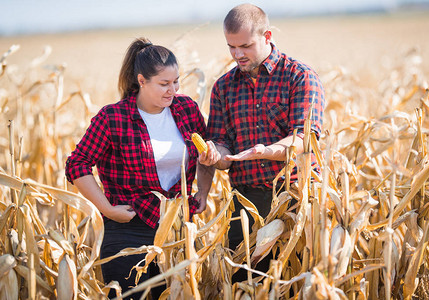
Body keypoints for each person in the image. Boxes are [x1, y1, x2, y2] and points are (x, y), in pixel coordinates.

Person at [65, 37, 206, 299]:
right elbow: (77, 164)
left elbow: (206, 154)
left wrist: (204, 193)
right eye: (164, 84)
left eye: (176, 82)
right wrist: (107, 209)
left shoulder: (187, 109)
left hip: (177, 228)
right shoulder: (113, 117)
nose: (172, 90)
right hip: (127, 229)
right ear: (141, 81)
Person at [195, 3, 325, 281]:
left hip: (295, 197)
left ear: (267, 37)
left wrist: (267, 151)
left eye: (245, 45)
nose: (237, 54)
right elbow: (221, 144)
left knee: (296, 282)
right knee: (244, 284)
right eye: (231, 47)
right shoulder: (223, 87)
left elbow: (305, 138)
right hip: (245, 204)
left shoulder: (300, 76)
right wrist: (214, 156)